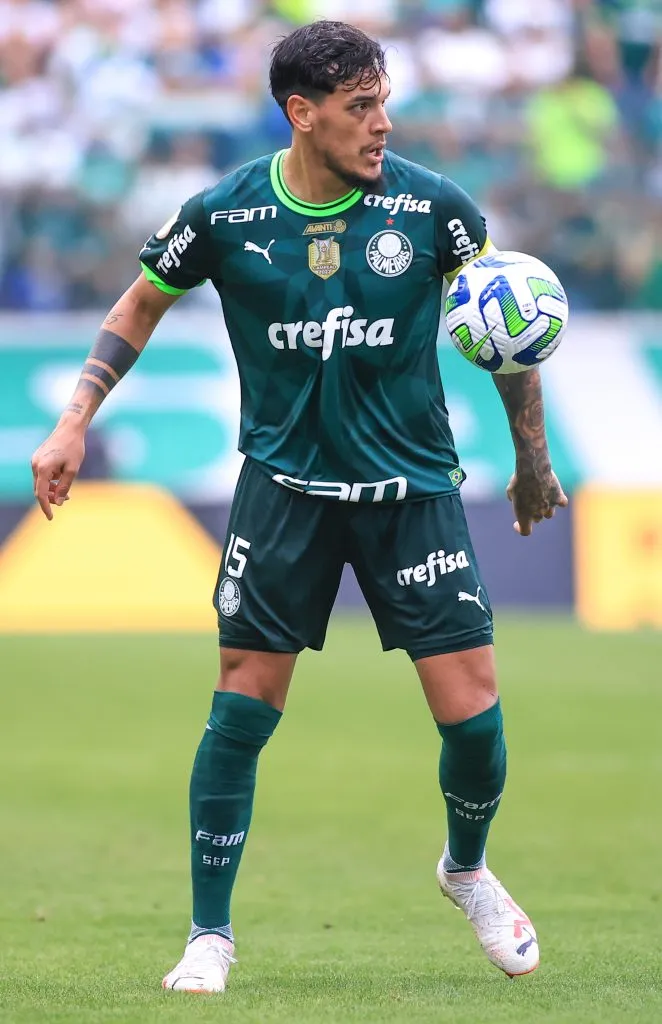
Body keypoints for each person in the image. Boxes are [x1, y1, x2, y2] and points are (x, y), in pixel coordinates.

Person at [31, 19, 567, 994]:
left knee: (473, 716)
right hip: (283, 495)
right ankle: (209, 935)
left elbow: (506, 330)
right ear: (301, 113)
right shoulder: (225, 214)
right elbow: (139, 304)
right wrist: (74, 421)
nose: (381, 123)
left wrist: (530, 459)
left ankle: (466, 868)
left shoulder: (432, 207)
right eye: (360, 107)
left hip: (410, 492)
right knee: (241, 706)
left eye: (383, 102)